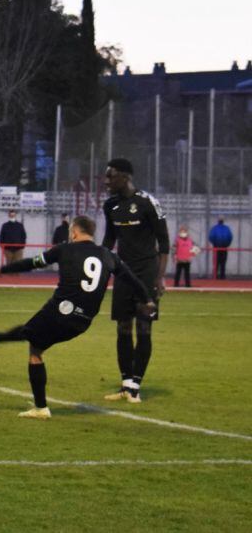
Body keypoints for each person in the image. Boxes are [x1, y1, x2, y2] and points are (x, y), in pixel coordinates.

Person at [0, 215, 153, 419]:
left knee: (30, 338)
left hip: (61, 311)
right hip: (84, 321)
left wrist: (2, 269)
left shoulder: (64, 249)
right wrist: (147, 300)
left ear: (74, 232)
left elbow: (33, 263)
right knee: (35, 344)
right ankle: (38, 405)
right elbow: (132, 279)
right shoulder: (108, 255)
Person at [101, 158, 168, 404]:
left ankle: (136, 386)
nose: (106, 181)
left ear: (125, 177)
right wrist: (100, 267)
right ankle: (126, 383)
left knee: (143, 328)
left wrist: (160, 278)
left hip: (147, 274)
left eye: (111, 176)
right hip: (123, 274)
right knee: (123, 328)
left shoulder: (148, 203)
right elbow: (109, 241)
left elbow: (164, 243)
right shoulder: (110, 206)